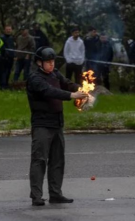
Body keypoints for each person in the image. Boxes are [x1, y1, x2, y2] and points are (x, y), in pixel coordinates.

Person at [26, 47, 88, 206]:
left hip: (57, 123)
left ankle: (55, 193)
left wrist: (80, 89)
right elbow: (50, 91)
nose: (51, 64)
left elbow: (66, 83)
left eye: (53, 61)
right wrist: (71, 95)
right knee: (39, 160)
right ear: (39, 62)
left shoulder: (55, 73)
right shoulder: (35, 78)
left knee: (57, 161)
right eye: (48, 62)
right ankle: (36, 196)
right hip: (42, 124)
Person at [0, 25, 16, 89]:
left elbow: (12, 48)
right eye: (7, 29)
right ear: (4, 30)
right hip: (4, 57)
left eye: (9, 29)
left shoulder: (11, 38)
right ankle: (3, 85)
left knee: (9, 71)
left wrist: (14, 55)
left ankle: (6, 84)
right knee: (4, 72)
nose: (8, 30)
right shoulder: (2, 38)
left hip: (11, 57)